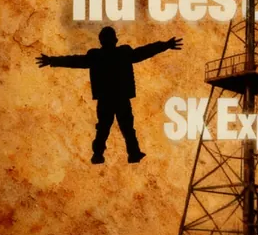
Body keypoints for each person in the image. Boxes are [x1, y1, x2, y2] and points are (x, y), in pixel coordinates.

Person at [36, 27, 182, 165]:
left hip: (106, 99)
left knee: (104, 128)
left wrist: (52, 60)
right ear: (115, 40)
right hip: (120, 98)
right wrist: (165, 45)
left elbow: (74, 61)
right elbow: (144, 51)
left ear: (101, 41)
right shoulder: (123, 54)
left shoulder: (96, 56)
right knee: (125, 128)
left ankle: (100, 155)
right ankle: (131, 153)